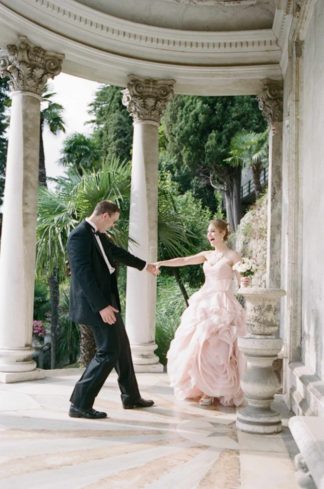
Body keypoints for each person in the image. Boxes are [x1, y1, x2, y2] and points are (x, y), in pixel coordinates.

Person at [67, 200, 158, 419]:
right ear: (105, 215)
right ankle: (79, 403)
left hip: (108, 302)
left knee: (122, 349)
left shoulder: (98, 235)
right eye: (113, 221)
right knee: (108, 352)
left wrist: (145, 266)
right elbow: (83, 275)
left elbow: (117, 253)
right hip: (95, 305)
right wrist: (101, 307)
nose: (112, 226)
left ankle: (131, 397)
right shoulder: (79, 236)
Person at [155, 219, 247, 407]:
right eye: (208, 232)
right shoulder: (206, 255)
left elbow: (242, 280)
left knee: (219, 348)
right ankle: (205, 389)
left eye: (213, 231)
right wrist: (162, 262)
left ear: (223, 233)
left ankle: (219, 390)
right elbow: (185, 260)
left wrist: (245, 281)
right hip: (204, 301)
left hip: (223, 303)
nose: (209, 235)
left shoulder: (232, 256)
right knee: (198, 345)